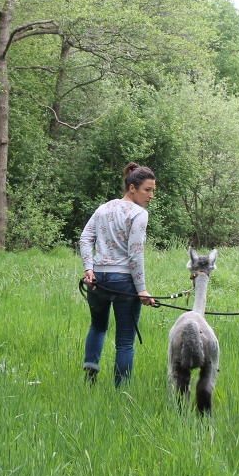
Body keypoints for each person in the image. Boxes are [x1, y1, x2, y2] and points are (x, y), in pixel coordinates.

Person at [79, 162, 157, 387]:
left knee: (97, 327)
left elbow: (85, 238)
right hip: (124, 281)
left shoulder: (103, 208)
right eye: (147, 190)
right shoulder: (139, 214)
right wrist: (141, 289)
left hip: (98, 280)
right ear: (132, 188)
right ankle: (121, 391)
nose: (151, 195)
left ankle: (90, 374)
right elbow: (135, 254)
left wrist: (89, 268)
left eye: (153, 190)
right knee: (125, 342)